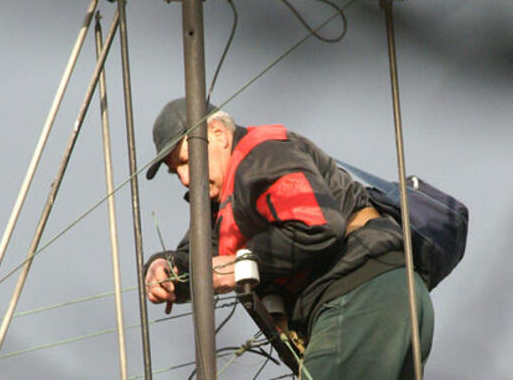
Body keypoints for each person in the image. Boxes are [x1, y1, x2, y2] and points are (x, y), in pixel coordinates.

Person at [144, 98, 434, 379]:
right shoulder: (224, 200)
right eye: (176, 171)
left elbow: (318, 226)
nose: (184, 178)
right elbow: (200, 257)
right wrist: (165, 271)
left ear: (218, 133)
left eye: (186, 162)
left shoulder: (263, 158)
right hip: (386, 299)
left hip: (361, 297)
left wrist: (241, 264)